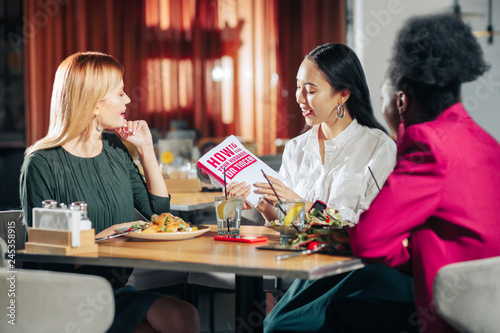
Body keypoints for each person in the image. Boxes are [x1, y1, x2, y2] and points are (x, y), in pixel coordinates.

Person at [330, 13, 500, 333]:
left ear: (402, 100)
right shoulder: (487, 142)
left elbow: (368, 240)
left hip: (450, 317)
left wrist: (410, 254)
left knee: (337, 309)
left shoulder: (428, 145)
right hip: (490, 315)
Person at [229, 43, 415, 332]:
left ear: (342, 93)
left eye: (311, 90)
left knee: (279, 326)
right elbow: (290, 226)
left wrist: (300, 205)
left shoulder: (379, 148)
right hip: (307, 266)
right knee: (275, 325)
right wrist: (263, 204)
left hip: (354, 270)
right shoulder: (296, 148)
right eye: (298, 87)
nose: (300, 98)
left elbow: (371, 231)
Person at [20, 52, 200, 333]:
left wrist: (145, 149)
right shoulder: (42, 163)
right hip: (64, 295)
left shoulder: (115, 150)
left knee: (183, 316)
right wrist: (112, 233)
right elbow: (48, 257)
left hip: (112, 291)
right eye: (120, 93)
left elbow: (159, 215)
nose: (128, 100)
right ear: (93, 104)